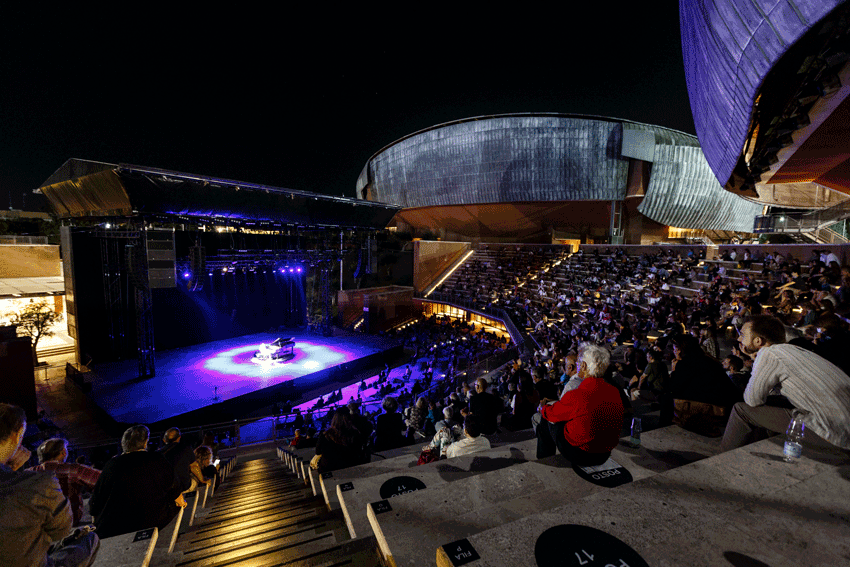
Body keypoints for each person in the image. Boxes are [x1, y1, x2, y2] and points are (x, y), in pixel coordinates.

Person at [720, 315, 850, 453]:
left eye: (743, 335)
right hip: (844, 422)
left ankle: (718, 460)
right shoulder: (793, 350)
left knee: (741, 411)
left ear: (758, 341)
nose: (739, 339)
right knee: (772, 402)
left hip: (836, 431)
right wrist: (755, 358)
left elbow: (752, 400)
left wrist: (757, 361)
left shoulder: (770, 354)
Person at [0, 403, 99, 567]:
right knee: (90, 539)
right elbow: (61, 530)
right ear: (16, 436)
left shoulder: (29, 472)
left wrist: (11, 469)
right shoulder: (42, 481)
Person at [89, 425, 186, 538]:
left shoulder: (110, 465)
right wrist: (182, 503)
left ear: (123, 444)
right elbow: (174, 489)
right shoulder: (156, 459)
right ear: (145, 443)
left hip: (112, 527)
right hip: (149, 521)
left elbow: (94, 506)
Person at [536, 343, 624, 466]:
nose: (577, 366)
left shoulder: (577, 395)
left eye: (578, 363)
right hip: (605, 454)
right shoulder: (614, 392)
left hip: (581, 454)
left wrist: (544, 408)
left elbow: (552, 414)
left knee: (546, 418)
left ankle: (544, 459)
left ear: (583, 366)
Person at [29, 437, 102, 525]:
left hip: (35, 524)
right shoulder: (72, 469)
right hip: (66, 523)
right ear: (63, 452)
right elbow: (103, 479)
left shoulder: (27, 473)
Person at [314, 408, 364, 473]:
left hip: (329, 470)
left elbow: (317, 452)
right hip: (350, 469)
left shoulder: (325, 435)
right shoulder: (355, 434)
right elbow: (359, 451)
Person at [158, 427, 197, 493]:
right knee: (195, 479)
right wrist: (203, 480)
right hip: (183, 487)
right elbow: (194, 467)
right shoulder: (186, 448)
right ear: (179, 438)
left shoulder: (158, 453)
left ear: (164, 440)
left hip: (166, 489)